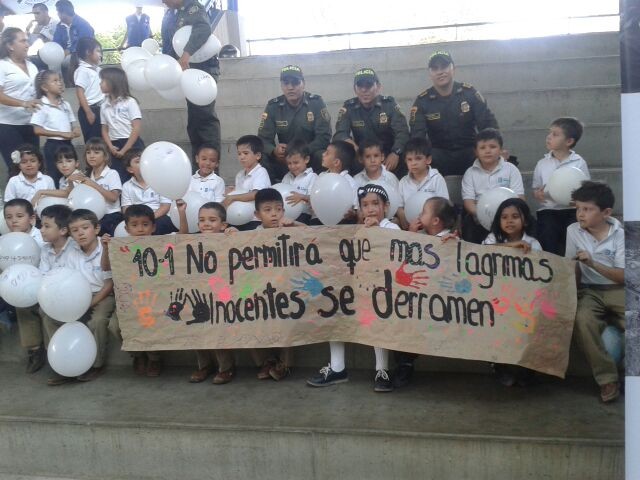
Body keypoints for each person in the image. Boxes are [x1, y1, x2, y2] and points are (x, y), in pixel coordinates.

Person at [308, 184, 398, 392]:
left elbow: (393, 252)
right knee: (332, 308)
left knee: (379, 315)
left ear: (386, 206)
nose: (371, 209)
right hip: (354, 289)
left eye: (375, 203)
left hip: (380, 291)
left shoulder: (392, 227)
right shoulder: (353, 229)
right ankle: (338, 368)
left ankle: (381, 370)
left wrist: (375, 230)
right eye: (365, 205)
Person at [565, 181, 625, 403]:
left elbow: (624, 275)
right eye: (578, 209)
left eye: (588, 209)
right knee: (582, 320)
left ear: (606, 212)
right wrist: (571, 294)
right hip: (591, 291)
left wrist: (592, 264)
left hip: (620, 288)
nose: (580, 214)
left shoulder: (622, 233)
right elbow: (572, 267)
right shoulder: (573, 231)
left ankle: (631, 375)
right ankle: (607, 379)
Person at [396, 196, 458, 387]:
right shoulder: (422, 239)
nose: (419, 215)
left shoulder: (451, 240)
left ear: (435, 221)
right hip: (422, 303)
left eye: (423, 212)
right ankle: (404, 365)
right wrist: (411, 235)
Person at [47, 209, 116, 383]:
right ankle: (61, 363)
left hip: (103, 294)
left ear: (96, 228)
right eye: (75, 230)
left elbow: (109, 284)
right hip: (78, 295)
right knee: (49, 317)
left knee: (98, 320)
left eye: (85, 227)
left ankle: (96, 365)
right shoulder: (71, 252)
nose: (81, 233)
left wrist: (90, 303)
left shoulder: (106, 247)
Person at [409, 51, 498, 176]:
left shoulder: (469, 93)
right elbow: (417, 137)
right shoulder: (422, 101)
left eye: (444, 66)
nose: (440, 72)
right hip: (438, 156)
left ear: (453, 68)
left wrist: (494, 149)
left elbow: (487, 124)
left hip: (470, 153)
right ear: (430, 73)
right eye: (435, 68)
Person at [250, 188, 304, 381]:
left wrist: (295, 224)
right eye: (267, 209)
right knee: (250, 322)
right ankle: (266, 362)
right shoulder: (252, 235)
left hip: (286, 290)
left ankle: (285, 364)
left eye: (279, 209)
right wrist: (230, 232)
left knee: (285, 324)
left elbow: (316, 236)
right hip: (259, 290)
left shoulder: (289, 229)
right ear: (257, 215)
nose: (274, 214)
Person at [162, 0, 221, 155]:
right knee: (194, 121)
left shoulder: (193, 7)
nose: (162, 1)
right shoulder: (169, 14)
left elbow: (202, 28)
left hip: (203, 69)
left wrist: (186, 54)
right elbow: (169, 43)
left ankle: (211, 169)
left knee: (204, 118)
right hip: (186, 72)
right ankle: (199, 166)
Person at [188, 202, 236, 384]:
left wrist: (234, 235)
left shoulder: (227, 237)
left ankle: (226, 368)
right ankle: (204, 366)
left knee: (219, 330)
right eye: (201, 220)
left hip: (222, 294)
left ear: (223, 225)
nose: (206, 224)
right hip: (198, 295)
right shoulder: (190, 242)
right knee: (196, 329)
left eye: (212, 220)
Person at [257, 65, 332, 182]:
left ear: (303, 84)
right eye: (286, 83)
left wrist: (302, 153)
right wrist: (274, 150)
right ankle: (273, 191)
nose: (290, 87)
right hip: (285, 158)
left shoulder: (316, 103)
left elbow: (324, 137)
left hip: (309, 156)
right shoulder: (273, 106)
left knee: (322, 155)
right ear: (281, 86)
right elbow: (263, 138)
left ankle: (320, 187)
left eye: (295, 83)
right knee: (262, 157)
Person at [334, 68, 409, 177]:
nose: (364, 90)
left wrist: (396, 153)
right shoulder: (349, 107)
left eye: (368, 85)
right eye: (360, 86)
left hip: (388, 153)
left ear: (378, 87)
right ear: (355, 89)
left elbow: (402, 132)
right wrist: (355, 148)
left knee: (405, 157)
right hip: (363, 154)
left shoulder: (389, 104)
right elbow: (340, 134)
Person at [532, 117, 590, 255]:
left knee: (571, 241)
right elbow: (536, 188)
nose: (549, 137)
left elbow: (586, 190)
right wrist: (538, 194)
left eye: (555, 134)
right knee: (547, 237)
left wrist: (578, 200)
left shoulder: (579, 162)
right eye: (550, 133)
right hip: (549, 210)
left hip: (572, 210)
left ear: (569, 141)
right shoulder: (542, 163)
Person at [4, 199, 45, 374]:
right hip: (12, 286)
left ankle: (36, 350)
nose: (13, 221)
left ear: (32, 218)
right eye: (8, 217)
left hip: (40, 285)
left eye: (19, 216)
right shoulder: (6, 241)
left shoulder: (42, 238)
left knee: (23, 303)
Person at [461, 128, 524, 243]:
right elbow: (469, 203)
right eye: (483, 148)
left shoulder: (511, 169)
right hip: (479, 219)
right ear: (476, 152)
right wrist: (485, 215)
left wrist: (503, 216)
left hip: (507, 218)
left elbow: (519, 198)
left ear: (500, 150)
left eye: (492, 147)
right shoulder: (470, 173)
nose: (488, 151)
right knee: (468, 225)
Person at [37, 204, 76, 385]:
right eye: (41, 225)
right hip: (54, 297)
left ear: (62, 230)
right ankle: (58, 362)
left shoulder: (75, 247)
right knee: (45, 314)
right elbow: (43, 276)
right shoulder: (45, 250)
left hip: (75, 297)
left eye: (46, 226)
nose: (41, 230)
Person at [0, 28, 41, 172]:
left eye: (27, 40)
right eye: (23, 41)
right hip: (8, 126)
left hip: (30, 124)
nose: (27, 44)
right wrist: (23, 103)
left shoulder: (33, 66)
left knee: (34, 168)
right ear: (10, 46)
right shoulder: (2, 66)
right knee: (17, 167)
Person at [30, 69, 80, 185]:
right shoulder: (41, 105)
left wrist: (75, 131)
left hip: (68, 144)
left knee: (73, 175)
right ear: (45, 87)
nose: (59, 83)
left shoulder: (65, 104)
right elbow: (37, 130)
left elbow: (73, 124)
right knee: (56, 176)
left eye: (60, 80)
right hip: (53, 145)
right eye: (55, 81)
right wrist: (61, 134)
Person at [67, 138, 123, 236]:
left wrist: (92, 184)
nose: (91, 156)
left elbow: (113, 198)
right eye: (88, 153)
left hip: (111, 216)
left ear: (105, 156)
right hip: (93, 217)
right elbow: (75, 199)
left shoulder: (112, 173)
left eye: (96, 152)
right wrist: (70, 182)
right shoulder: (86, 175)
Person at [99, 67, 144, 182]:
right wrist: (110, 146)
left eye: (103, 80)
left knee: (137, 176)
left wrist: (125, 150)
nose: (100, 83)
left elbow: (136, 128)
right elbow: (104, 129)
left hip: (132, 144)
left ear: (113, 81)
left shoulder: (129, 102)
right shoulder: (104, 105)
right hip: (114, 146)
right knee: (119, 178)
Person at [396, 137, 449, 230]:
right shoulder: (403, 182)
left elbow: (443, 206)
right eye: (409, 159)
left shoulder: (437, 179)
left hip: (433, 227)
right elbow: (399, 206)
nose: (413, 163)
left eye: (418, 158)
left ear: (428, 160)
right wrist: (402, 216)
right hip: (410, 227)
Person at [121, 149, 174, 235]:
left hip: (158, 217)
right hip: (137, 218)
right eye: (138, 161)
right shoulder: (127, 186)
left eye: (144, 160)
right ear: (130, 169)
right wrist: (139, 221)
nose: (143, 163)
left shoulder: (160, 181)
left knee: (159, 224)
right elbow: (126, 209)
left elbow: (165, 206)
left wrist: (149, 219)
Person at [222, 135, 271, 230]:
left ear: (258, 155)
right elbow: (240, 193)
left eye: (245, 153)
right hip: (238, 218)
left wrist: (233, 197)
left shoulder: (261, 172)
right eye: (239, 154)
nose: (242, 157)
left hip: (255, 219)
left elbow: (257, 194)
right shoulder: (239, 175)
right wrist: (232, 191)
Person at [313, 140, 359, 224]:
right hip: (319, 219)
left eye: (327, 153)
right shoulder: (321, 177)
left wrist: (352, 214)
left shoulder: (349, 182)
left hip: (341, 221)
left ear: (336, 162)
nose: (323, 154)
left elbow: (355, 208)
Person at [73, 37, 104, 143]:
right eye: (98, 51)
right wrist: (88, 112)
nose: (100, 54)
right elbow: (80, 92)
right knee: (94, 142)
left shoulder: (98, 70)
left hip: (101, 108)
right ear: (88, 52)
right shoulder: (82, 70)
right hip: (91, 109)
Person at [281, 139, 318, 224]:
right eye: (289, 163)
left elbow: (316, 199)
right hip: (286, 215)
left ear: (306, 159)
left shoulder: (312, 177)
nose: (292, 166)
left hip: (304, 215)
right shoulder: (286, 177)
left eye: (296, 162)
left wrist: (302, 197)